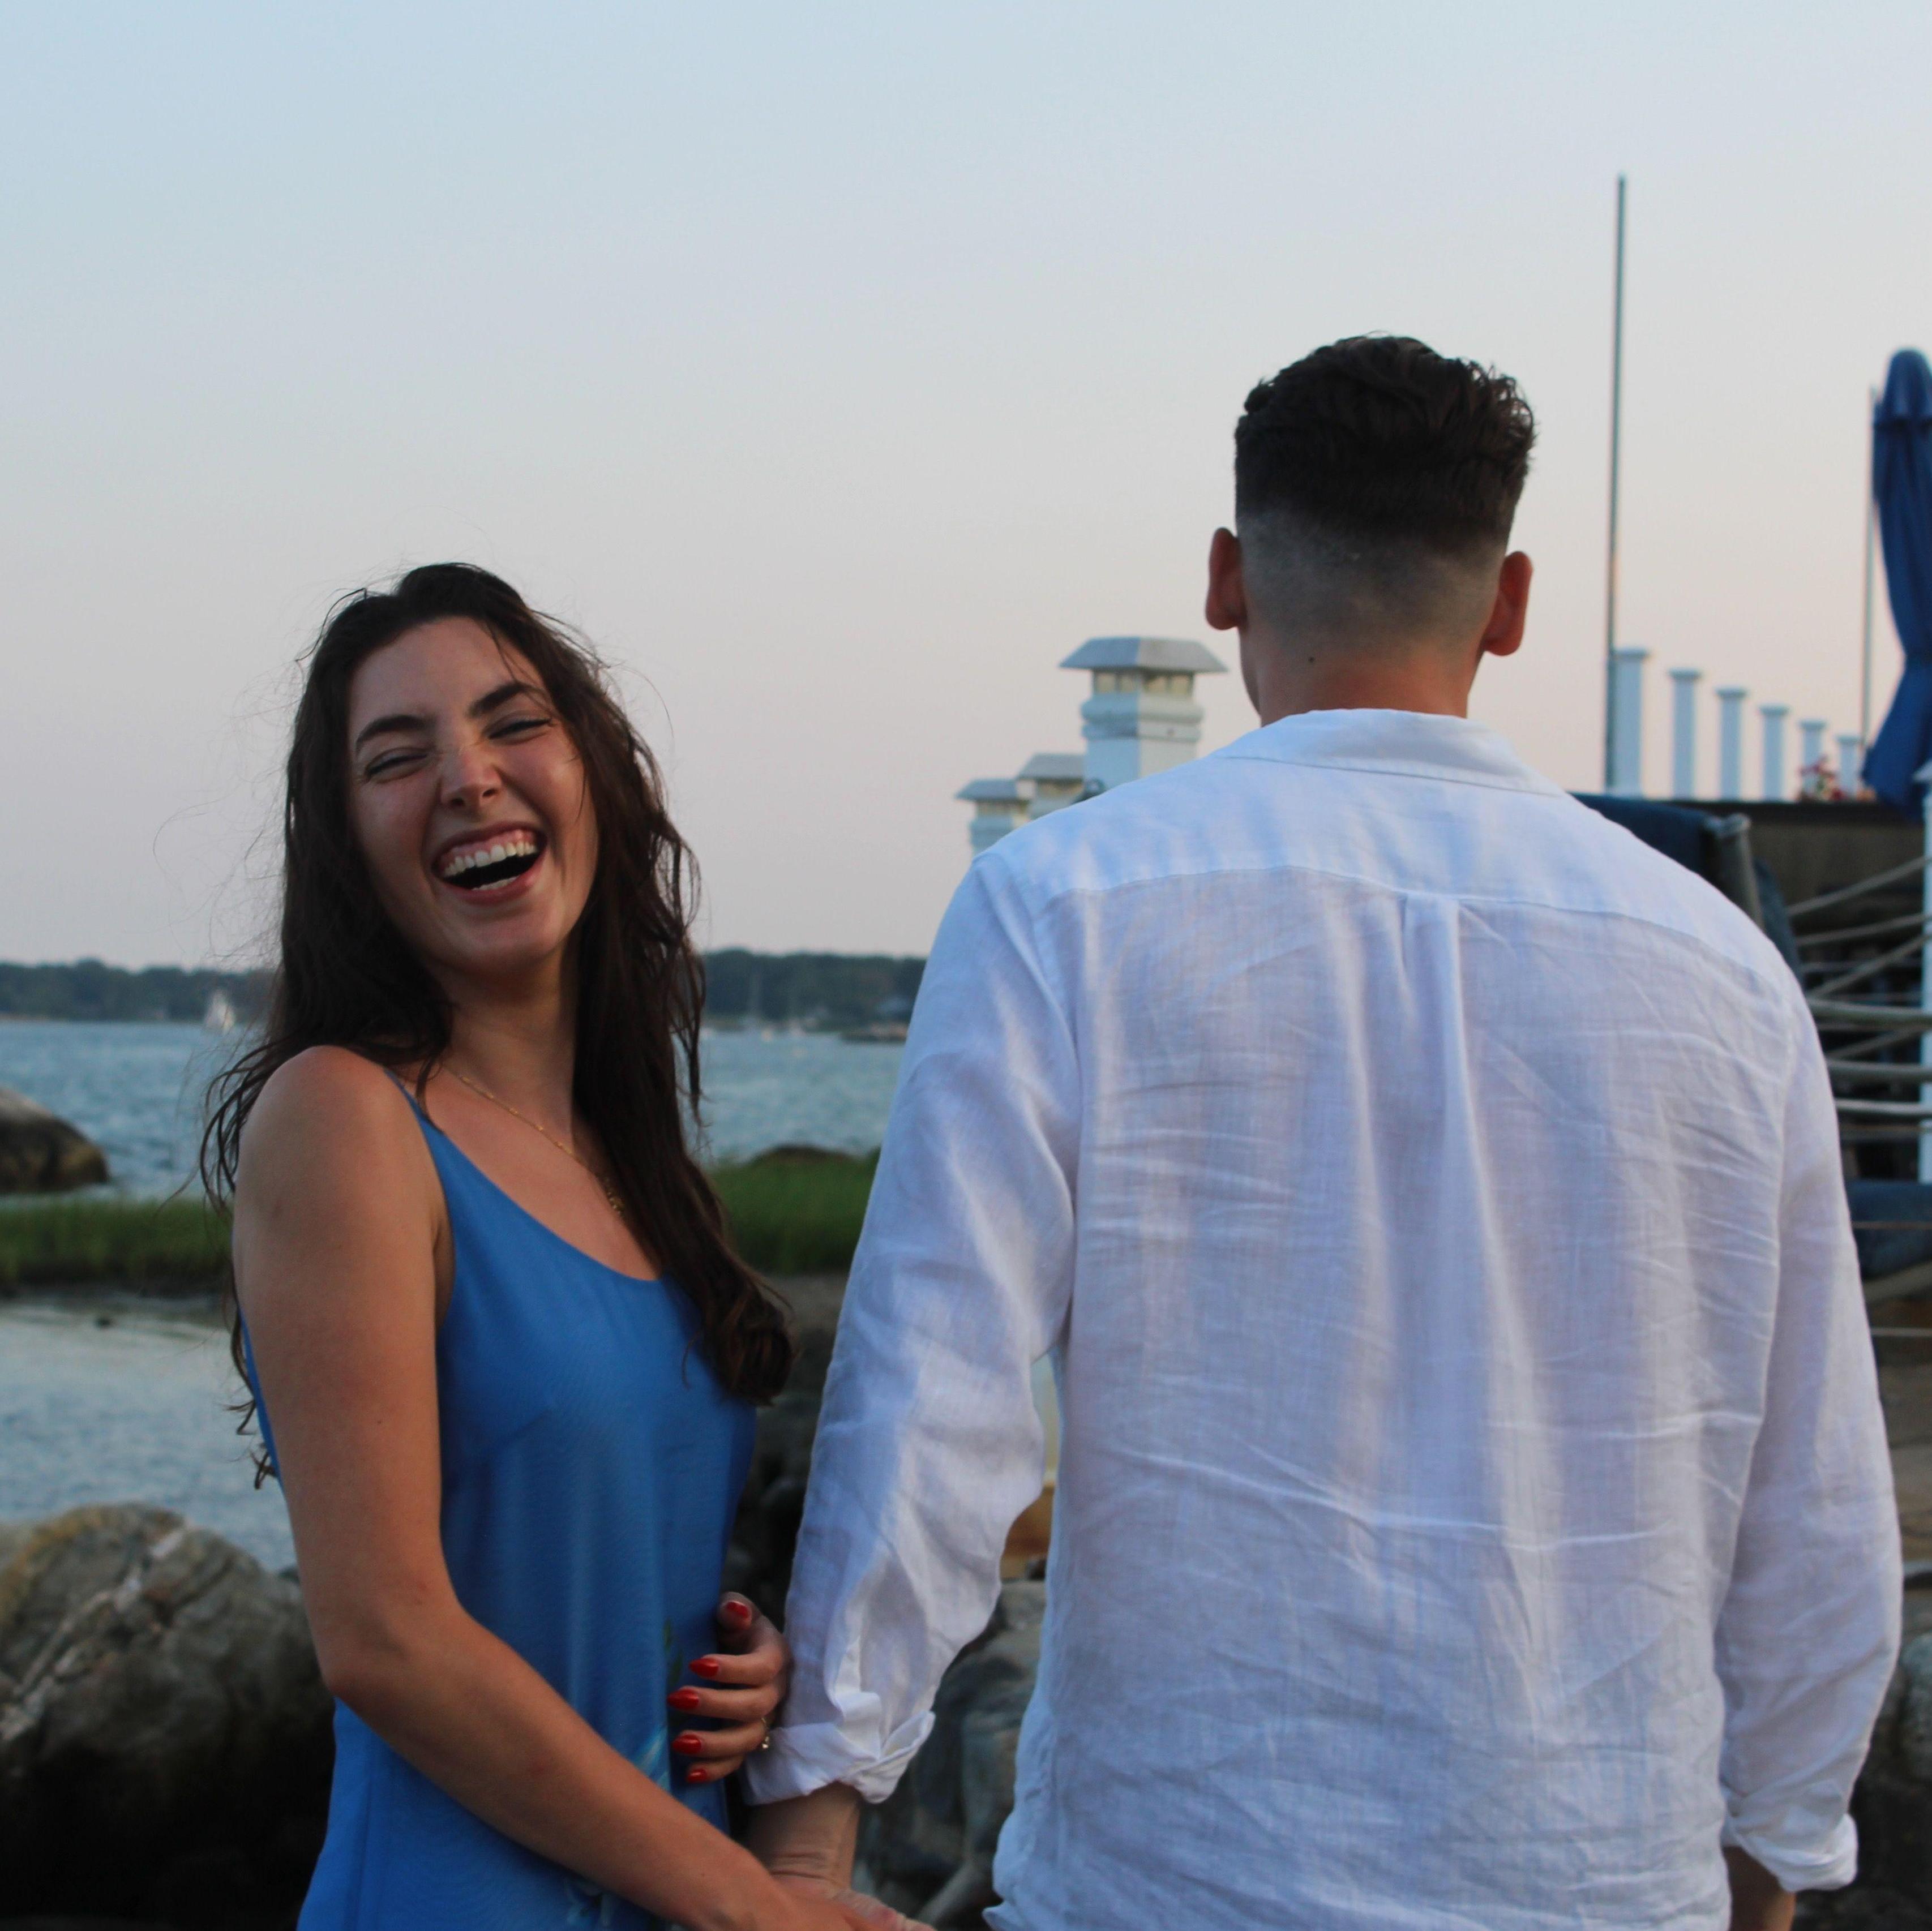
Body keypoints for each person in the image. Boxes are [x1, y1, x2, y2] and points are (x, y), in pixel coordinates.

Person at [746, 338, 1903, 1930]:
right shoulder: (1721, 969)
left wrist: (809, 1836)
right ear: (1508, 603)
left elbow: (927, 1411)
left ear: (1225, 579)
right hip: (1601, 1876)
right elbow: (1814, 1498)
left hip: (1176, 1875)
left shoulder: (1061, 905)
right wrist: (1766, 1867)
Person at [210, 565, 906, 1931]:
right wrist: (761, 1907)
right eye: (396, 757)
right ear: (349, 847)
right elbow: (387, 1639)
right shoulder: (344, 1117)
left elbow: (600, 1553)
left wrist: (737, 1659)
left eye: (513, 722)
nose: (469, 778)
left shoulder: (630, 1161)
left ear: (593, 770)